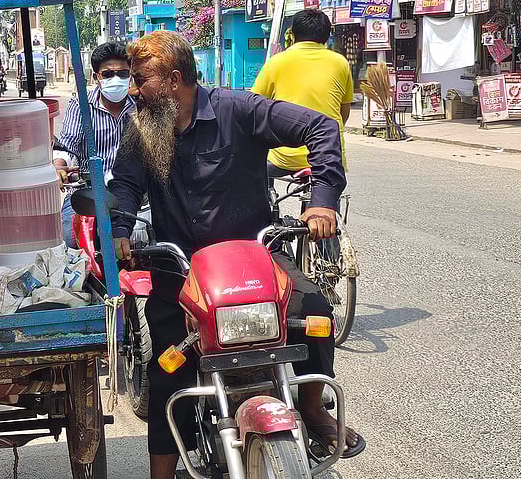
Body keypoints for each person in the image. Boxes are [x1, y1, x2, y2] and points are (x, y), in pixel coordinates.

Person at [108, 31, 365, 479]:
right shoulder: (140, 129)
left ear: (172, 80)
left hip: (255, 260)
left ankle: (311, 407)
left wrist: (321, 198)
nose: (131, 89)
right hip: (182, 268)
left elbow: (320, 126)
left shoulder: (238, 109)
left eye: (139, 79)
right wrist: (120, 231)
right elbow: (126, 186)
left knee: (316, 312)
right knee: (169, 371)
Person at [53, 42, 136, 249]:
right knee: (69, 241)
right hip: (88, 194)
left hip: (135, 198)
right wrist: (59, 166)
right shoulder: (81, 105)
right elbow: (67, 146)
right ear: (96, 77)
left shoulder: (140, 106)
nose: (116, 80)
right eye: (108, 74)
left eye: (122, 74)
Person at [253, 8, 353, 178]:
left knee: (255, 172)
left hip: (283, 157)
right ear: (326, 35)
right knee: (329, 193)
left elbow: (254, 105)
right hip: (327, 155)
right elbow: (344, 112)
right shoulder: (340, 63)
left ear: (293, 34)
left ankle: (266, 203)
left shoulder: (276, 62)